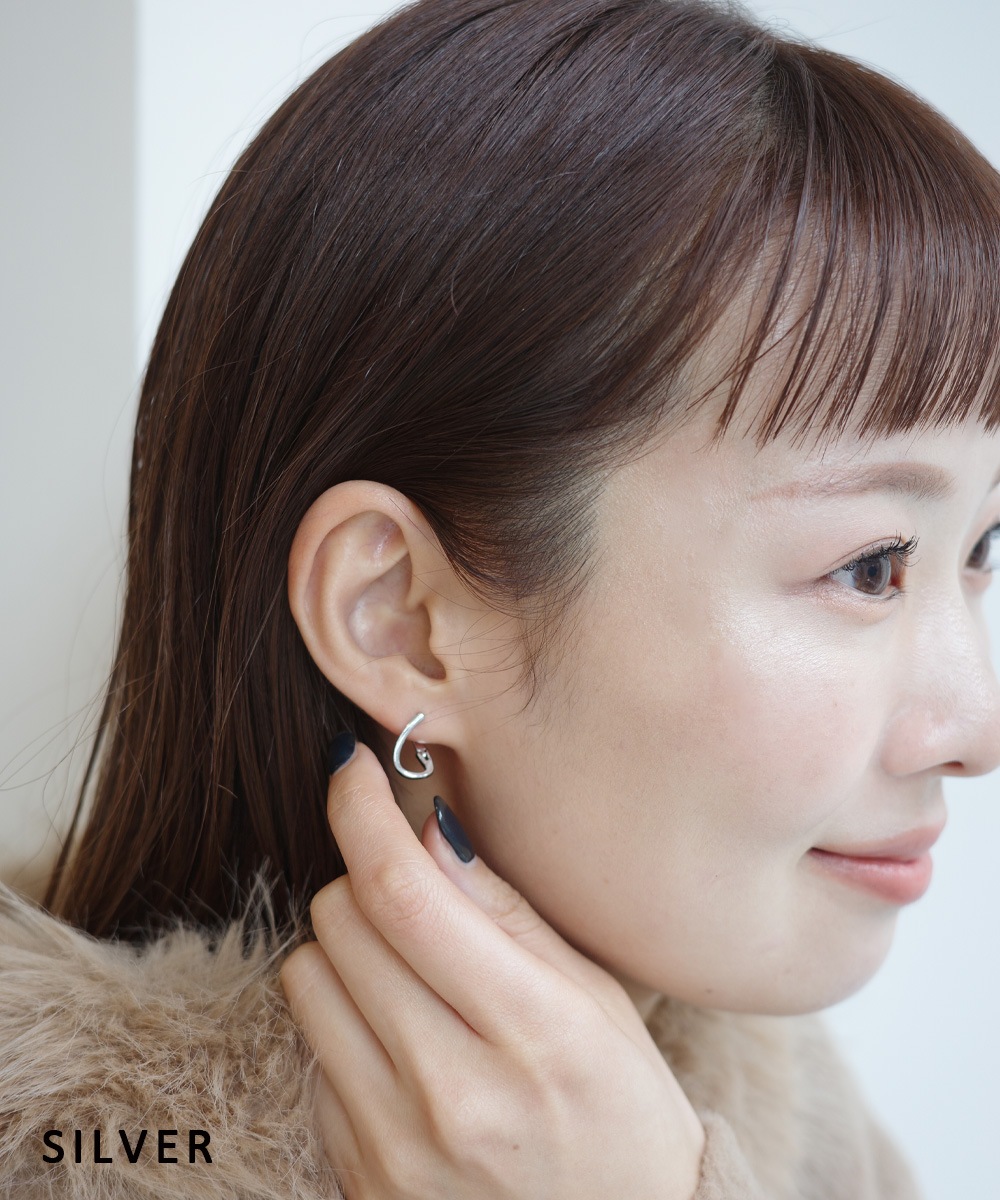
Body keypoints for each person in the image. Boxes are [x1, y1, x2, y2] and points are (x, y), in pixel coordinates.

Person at [2, 0, 999, 1195]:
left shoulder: (790, 1134)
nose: (976, 730)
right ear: (401, 619)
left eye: (985, 547)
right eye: (869, 565)